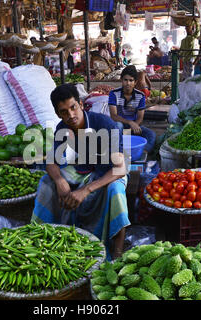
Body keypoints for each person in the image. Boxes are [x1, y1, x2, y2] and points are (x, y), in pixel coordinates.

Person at [31, 84, 130, 259]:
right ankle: (41, 236)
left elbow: (121, 168)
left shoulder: (104, 124)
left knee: (116, 190)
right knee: (47, 181)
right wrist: (60, 181)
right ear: (58, 114)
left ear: (81, 105)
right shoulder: (63, 128)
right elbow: (50, 162)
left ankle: (118, 251)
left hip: (109, 173)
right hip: (83, 170)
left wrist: (85, 190)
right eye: (64, 111)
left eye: (73, 107)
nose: (70, 115)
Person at [108, 65, 156, 155]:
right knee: (118, 126)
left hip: (133, 126)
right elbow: (113, 116)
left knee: (151, 134)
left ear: (135, 82)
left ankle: (142, 153)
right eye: (125, 80)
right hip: (119, 125)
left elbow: (140, 117)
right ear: (121, 80)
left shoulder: (140, 96)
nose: (128, 83)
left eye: (131, 80)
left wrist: (134, 125)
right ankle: (117, 153)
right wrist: (130, 122)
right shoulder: (114, 94)